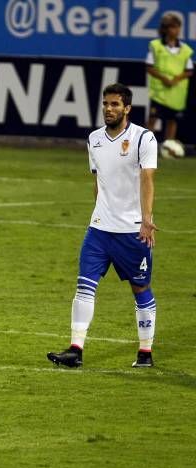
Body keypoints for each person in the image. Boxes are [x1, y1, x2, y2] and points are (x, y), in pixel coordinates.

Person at [48, 83, 158, 369]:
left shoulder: (143, 138)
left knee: (140, 288)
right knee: (85, 285)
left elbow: (147, 179)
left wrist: (146, 220)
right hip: (99, 230)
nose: (108, 109)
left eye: (115, 105)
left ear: (127, 108)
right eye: (106, 104)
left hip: (132, 231)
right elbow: (97, 181)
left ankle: (145, 351)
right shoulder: (94, 139)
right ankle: (75, 349)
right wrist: (100, 212)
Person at [146, 13, 193, 142]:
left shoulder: (185, 49)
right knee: (152, 120)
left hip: (175, 95)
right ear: (165, 29)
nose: (176, 30)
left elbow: (189, 71)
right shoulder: (156, 46)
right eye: (173, 27)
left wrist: (176, 79)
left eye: (178, 27)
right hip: (159, 94)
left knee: (172, 121)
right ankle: (144, 148)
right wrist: (164, 79)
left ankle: (168, 148)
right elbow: (149, 67)